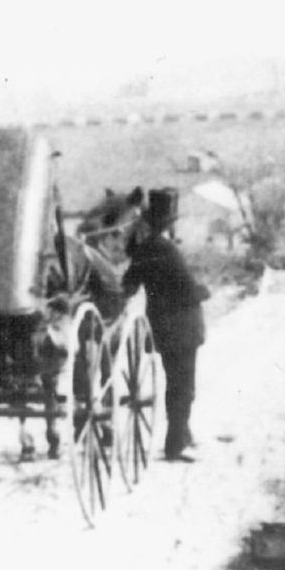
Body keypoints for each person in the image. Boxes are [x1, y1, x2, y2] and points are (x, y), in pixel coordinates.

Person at [121, 189, 210, 462]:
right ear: (168, 224)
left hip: (160, 328)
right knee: (184, 388)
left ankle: (182, 435)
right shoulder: (167, 249)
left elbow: (128, 285)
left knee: (175, 383)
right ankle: (175, 446)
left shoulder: (143, 250)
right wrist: (203, 291)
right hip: (183, 328)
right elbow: (187, 289)